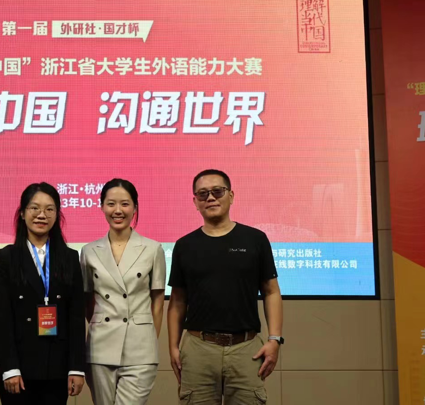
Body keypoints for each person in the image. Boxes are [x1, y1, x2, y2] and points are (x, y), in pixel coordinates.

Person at [168, 169, 283, 405]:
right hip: (198, 349)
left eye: (217, 191)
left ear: (231, 196)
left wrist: (274, 339)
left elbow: (271, 291)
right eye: (203, 194)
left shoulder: (255, 239)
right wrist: (173, 347)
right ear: (195, 202)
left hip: (246, 349)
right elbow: (177, 301)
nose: (210, 198)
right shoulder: (184, 245)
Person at [0, 182, 86, 404]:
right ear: (22, 213)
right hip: (19, 368)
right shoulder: (7, 258)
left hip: (58, 367)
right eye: (34, 208)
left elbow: (76, 317)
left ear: (57, 215)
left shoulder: (70, 258)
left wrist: (76, 367)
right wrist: (9, 367)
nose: (41, 215)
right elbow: (0, 317)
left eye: (49, 209)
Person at [81, 178, 166, 405]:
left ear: (135, 207)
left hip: (140, 347)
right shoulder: (89, 251)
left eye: (125, 204)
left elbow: (158, 300)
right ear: (102, 207)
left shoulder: (153, 249)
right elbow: (88, 300)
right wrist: (102, 324)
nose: (118, 210)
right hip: (100, 345)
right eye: (111, 204)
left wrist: (148, 336)